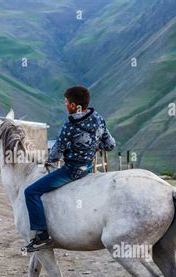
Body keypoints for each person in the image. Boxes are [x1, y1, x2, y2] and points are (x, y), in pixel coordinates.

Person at [23, 85, 116, 252]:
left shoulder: (70, 126)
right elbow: (110, 145)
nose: (65, 105)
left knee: (31, 192)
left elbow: (56, 154)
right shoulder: (98, 118)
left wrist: (47, 159)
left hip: (71, 171)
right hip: (88, 168)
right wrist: (93, 145)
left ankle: (42, 236)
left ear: (74, 105)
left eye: (66, 102)